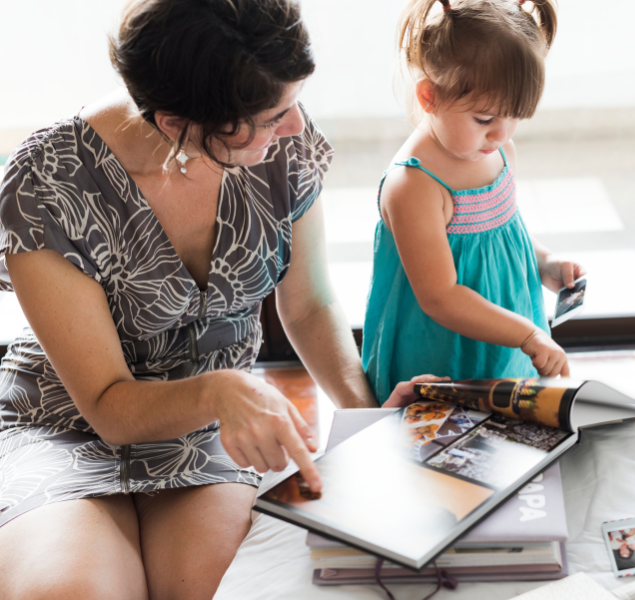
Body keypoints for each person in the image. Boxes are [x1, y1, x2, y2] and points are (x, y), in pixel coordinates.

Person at [0, 1, 426, 598]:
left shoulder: (284, 150)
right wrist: (224, 391)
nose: (296, 126)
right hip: (65, 419)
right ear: (178, 123)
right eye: (272, 114)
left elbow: (309, 305)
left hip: (208, 424)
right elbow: (107, 405)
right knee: (73, 592)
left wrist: (370, 422)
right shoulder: (45, 184)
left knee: (222, 587)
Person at [361, 0, 586, 404]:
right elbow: (440, 296)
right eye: (484, 119)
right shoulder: (414, 185)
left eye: (514, 117)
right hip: (445, 348)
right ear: (429, 96)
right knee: (446, 441)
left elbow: (502, 234)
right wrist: (527, 333)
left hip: (508, 335)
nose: (501, 134)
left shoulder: (498, 152)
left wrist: (544, 263)